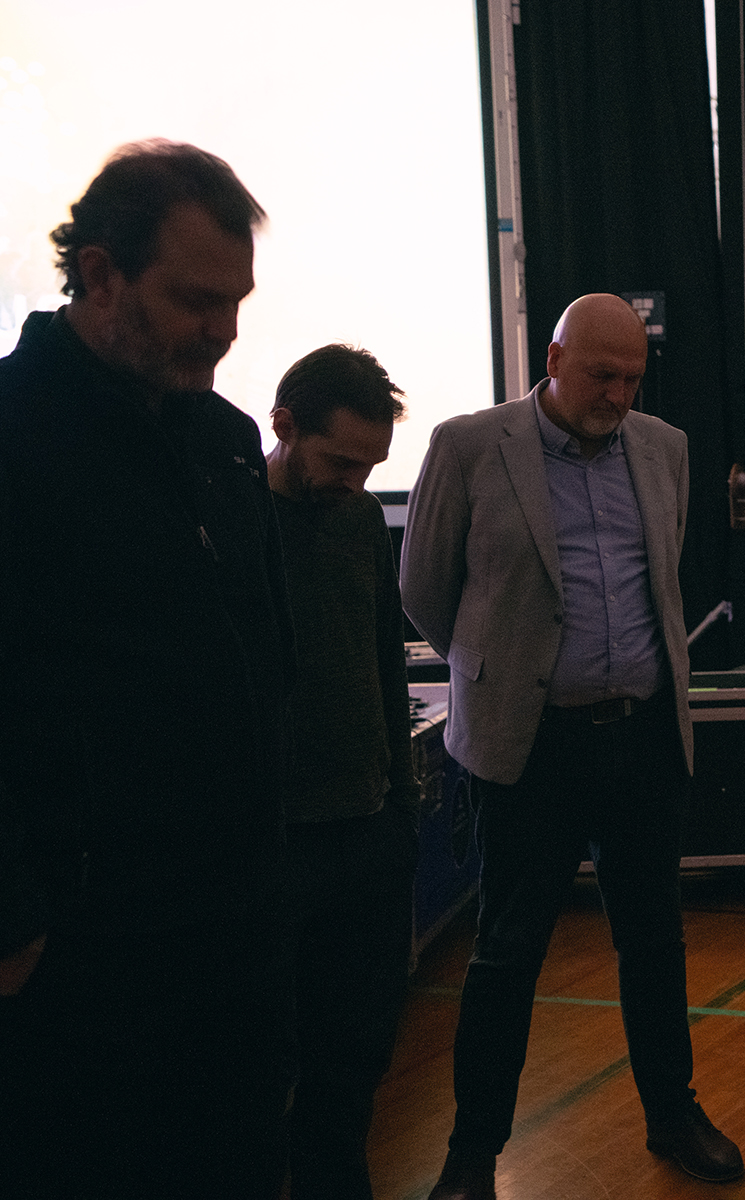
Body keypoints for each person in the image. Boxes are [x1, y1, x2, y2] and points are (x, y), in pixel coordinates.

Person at [0, 140, 293, 1198]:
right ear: (100, 273)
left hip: (231, 936)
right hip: (81, 959)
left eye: (236, 303)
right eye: (195, 301)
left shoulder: (225, 442)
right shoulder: (14, 435)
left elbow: (260, 657)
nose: (223, 332)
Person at [401, 294, 742, 1198]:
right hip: (530, 747)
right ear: (552, 360)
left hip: (644, 737)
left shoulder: (664, 448)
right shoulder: (468, 446)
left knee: (654, 941)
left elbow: (661, 572)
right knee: (507, 952)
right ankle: (473, 1155)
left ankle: (672, 1114)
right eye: (601, 375)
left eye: (633, 379)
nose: (618, 396)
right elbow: (426, 591)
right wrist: (498, 671)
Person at [268, 344, 420, 1200]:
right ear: (284, 426)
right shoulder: (235, 521)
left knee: (354, 1060)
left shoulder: (361, 521)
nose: (357, 484)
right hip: (278, 842)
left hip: (367, 833)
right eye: (340, 462)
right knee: (261, 1068)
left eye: (371, 467)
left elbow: (384, 659)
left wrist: (401, 804)